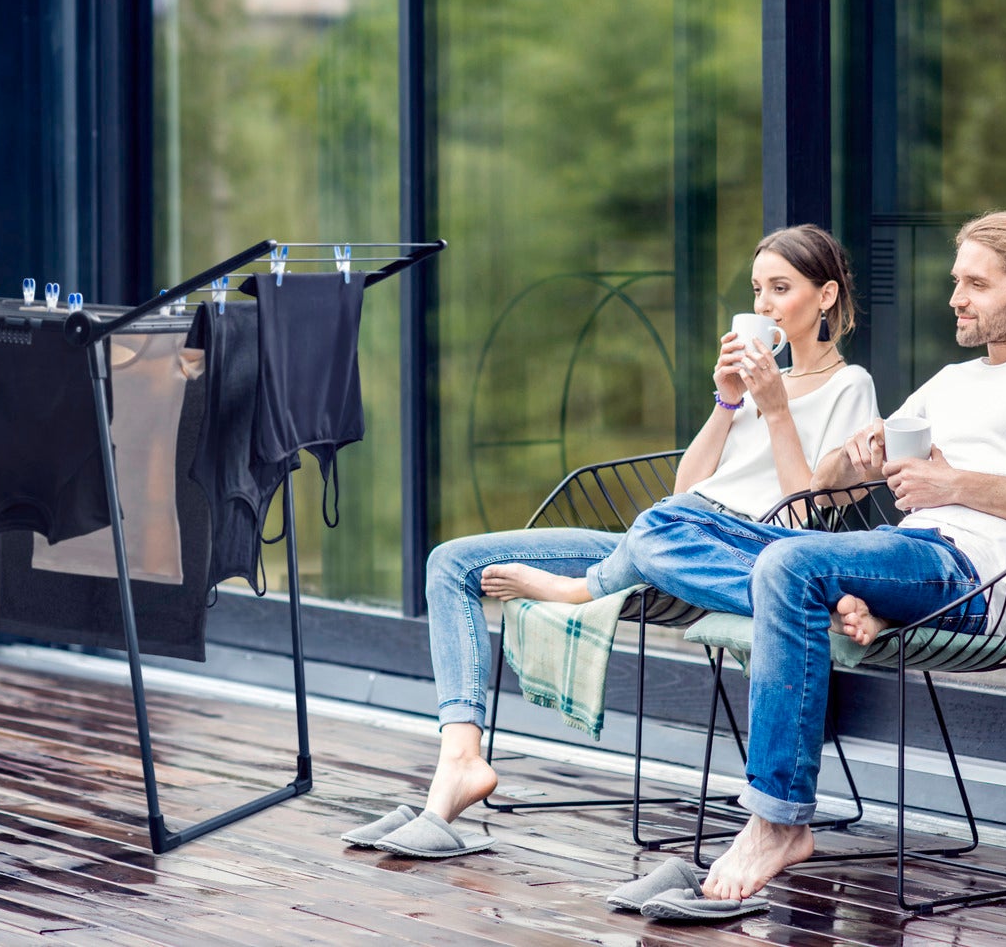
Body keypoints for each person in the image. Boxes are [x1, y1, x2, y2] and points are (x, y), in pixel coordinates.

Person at [605, 210, 1006, 901]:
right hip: (903, 551)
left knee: (788, 568)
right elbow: (826, 481)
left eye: (975, 283)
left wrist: (954, 484)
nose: (955, 297)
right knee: (664, 525)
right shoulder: (951, 381)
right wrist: (854, 454)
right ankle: (816, 605)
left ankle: (778, 820)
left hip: (975, 573)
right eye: (957, 281)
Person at [346, 225, 878, 856]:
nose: (763, 306)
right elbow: (687, 489)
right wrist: (729, 403)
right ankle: (460, 760)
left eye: (780, 289)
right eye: (757, 289)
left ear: (825, 297)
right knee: (451, 563)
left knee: (659, 528)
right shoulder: (751, 387)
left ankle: (584, 588)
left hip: (751, 550)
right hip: (675, 536)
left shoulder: (852, 387)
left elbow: (805, 520)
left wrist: (778, 409)